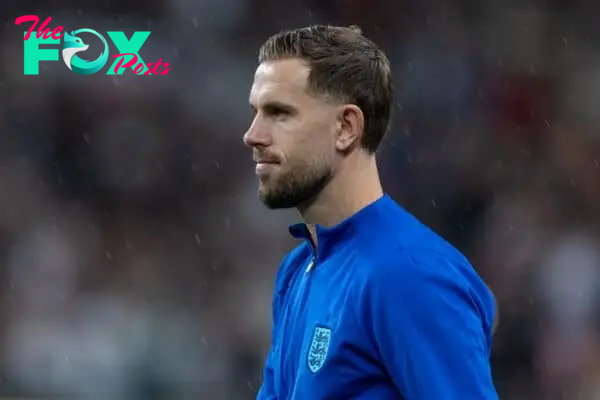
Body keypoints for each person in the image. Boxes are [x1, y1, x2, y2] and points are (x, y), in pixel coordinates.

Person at [243, 24, 499, 400]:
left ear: (346, 127)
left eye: (279, 113)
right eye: (256, 112)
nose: (253, 134)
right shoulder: (298, 270)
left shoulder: (409, 275)